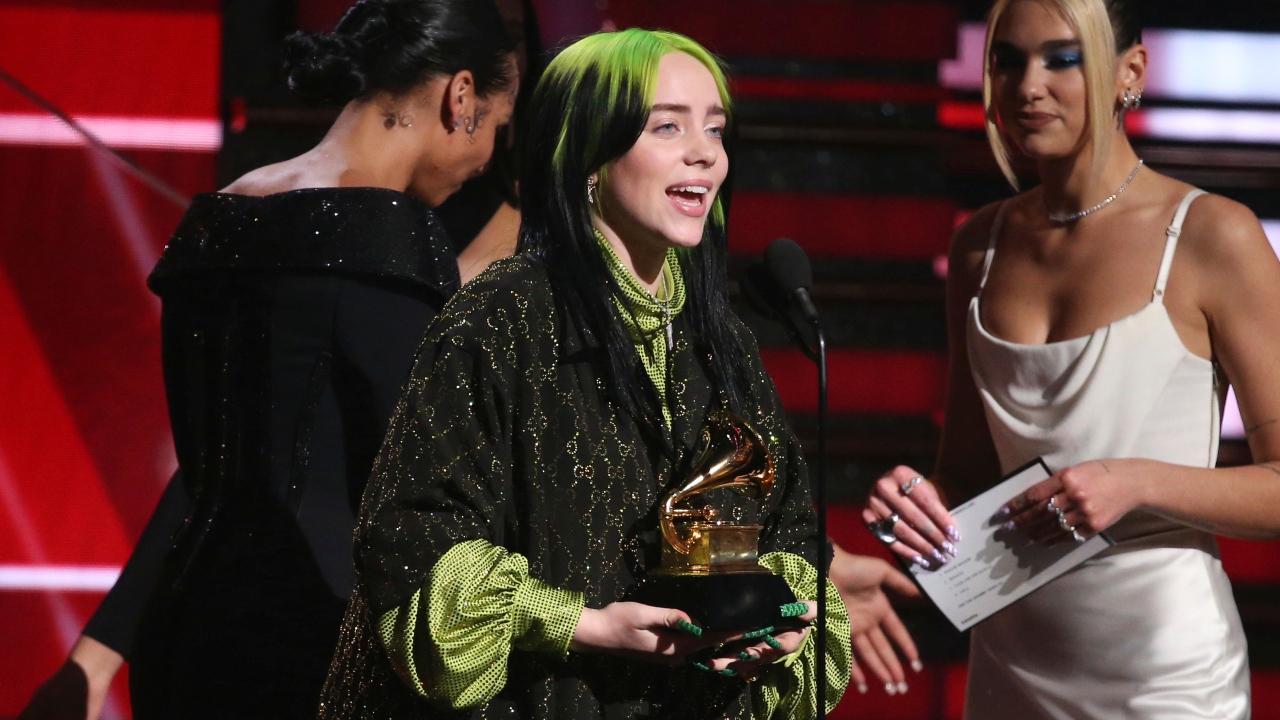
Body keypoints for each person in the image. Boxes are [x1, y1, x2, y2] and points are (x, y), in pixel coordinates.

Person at [318, 28, 852, 720]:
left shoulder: (724, 344)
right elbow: (414, 549)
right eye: (668, 127)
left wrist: (773, 623)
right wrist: (587, 624)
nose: (704, 153)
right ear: (589, 156)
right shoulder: (502, 317)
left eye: (714, 131)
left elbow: (788, 538)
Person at [17, 2, 517, 719]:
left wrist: (94, 659)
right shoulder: (389, 237)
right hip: (316, 638)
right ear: (460, 97)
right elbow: (422, 490)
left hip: (184, 634)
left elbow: (209, 479)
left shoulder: (225, 214)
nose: (485, 161)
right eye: (496, 129)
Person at [854, 0, 1280, 717]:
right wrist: (916, 508)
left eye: (1062, 58)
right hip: (1009, 669)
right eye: (1008, 60)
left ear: (1130, 72)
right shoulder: (980, 248)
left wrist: (1135, 481)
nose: (1027, 85)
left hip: (1165, 679)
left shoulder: (1212, 234)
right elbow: (966, 476)